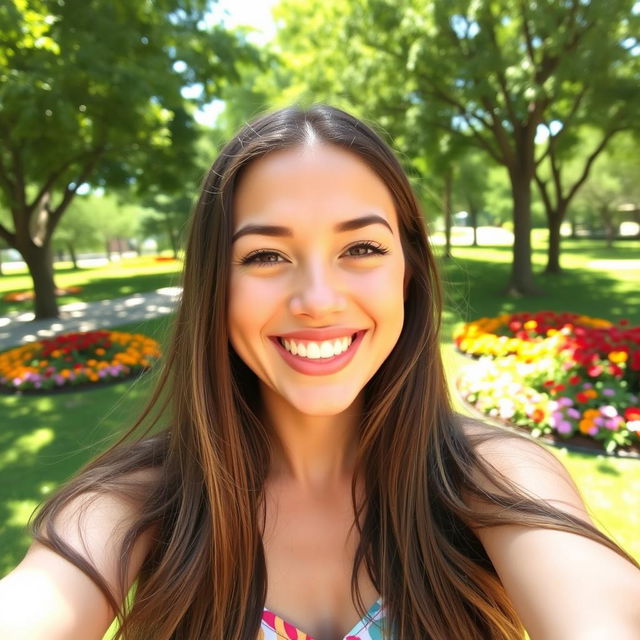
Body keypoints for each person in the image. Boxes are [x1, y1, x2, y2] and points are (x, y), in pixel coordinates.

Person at [0, 105, 639, 640]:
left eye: (361, 248)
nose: (318, 300)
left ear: (408, 272)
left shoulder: (494, 474)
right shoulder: (135, 500)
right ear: (214, 285)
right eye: (266, 254)